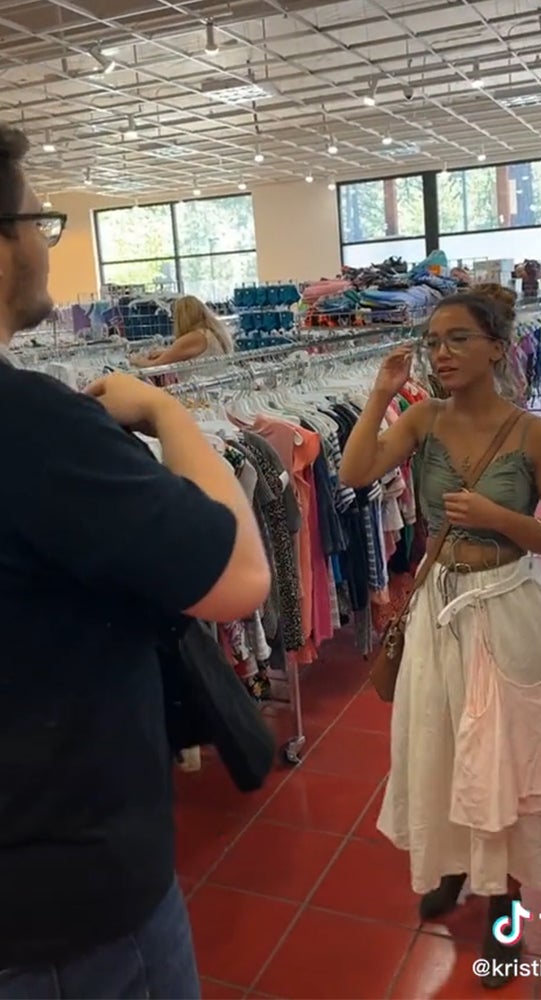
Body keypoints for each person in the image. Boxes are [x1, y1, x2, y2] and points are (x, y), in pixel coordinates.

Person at [0, 126, 273, 997]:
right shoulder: (31, 426)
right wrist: (167, 415)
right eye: (37, 220)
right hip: (66, 910)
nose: (45, 244)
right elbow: (239, 578)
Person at [337, 283, 541, 989]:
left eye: (459, 339)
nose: (442, 353)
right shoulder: (422, 421)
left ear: (497, 348)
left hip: (507, 606)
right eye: (434, 341)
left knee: (507, 765)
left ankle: (507, 911)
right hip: (441, 604)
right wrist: (381, 394)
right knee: (441, 743)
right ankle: (457, 868)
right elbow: (352, 473)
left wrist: (501, 519)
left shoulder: (535, 435)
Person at [132, 294, 234, 367]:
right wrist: (165, 352)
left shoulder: (194, 337)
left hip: (197, 389)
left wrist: (136, 360)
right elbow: (192, 353)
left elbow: (156, 364)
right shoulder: (211, 332)